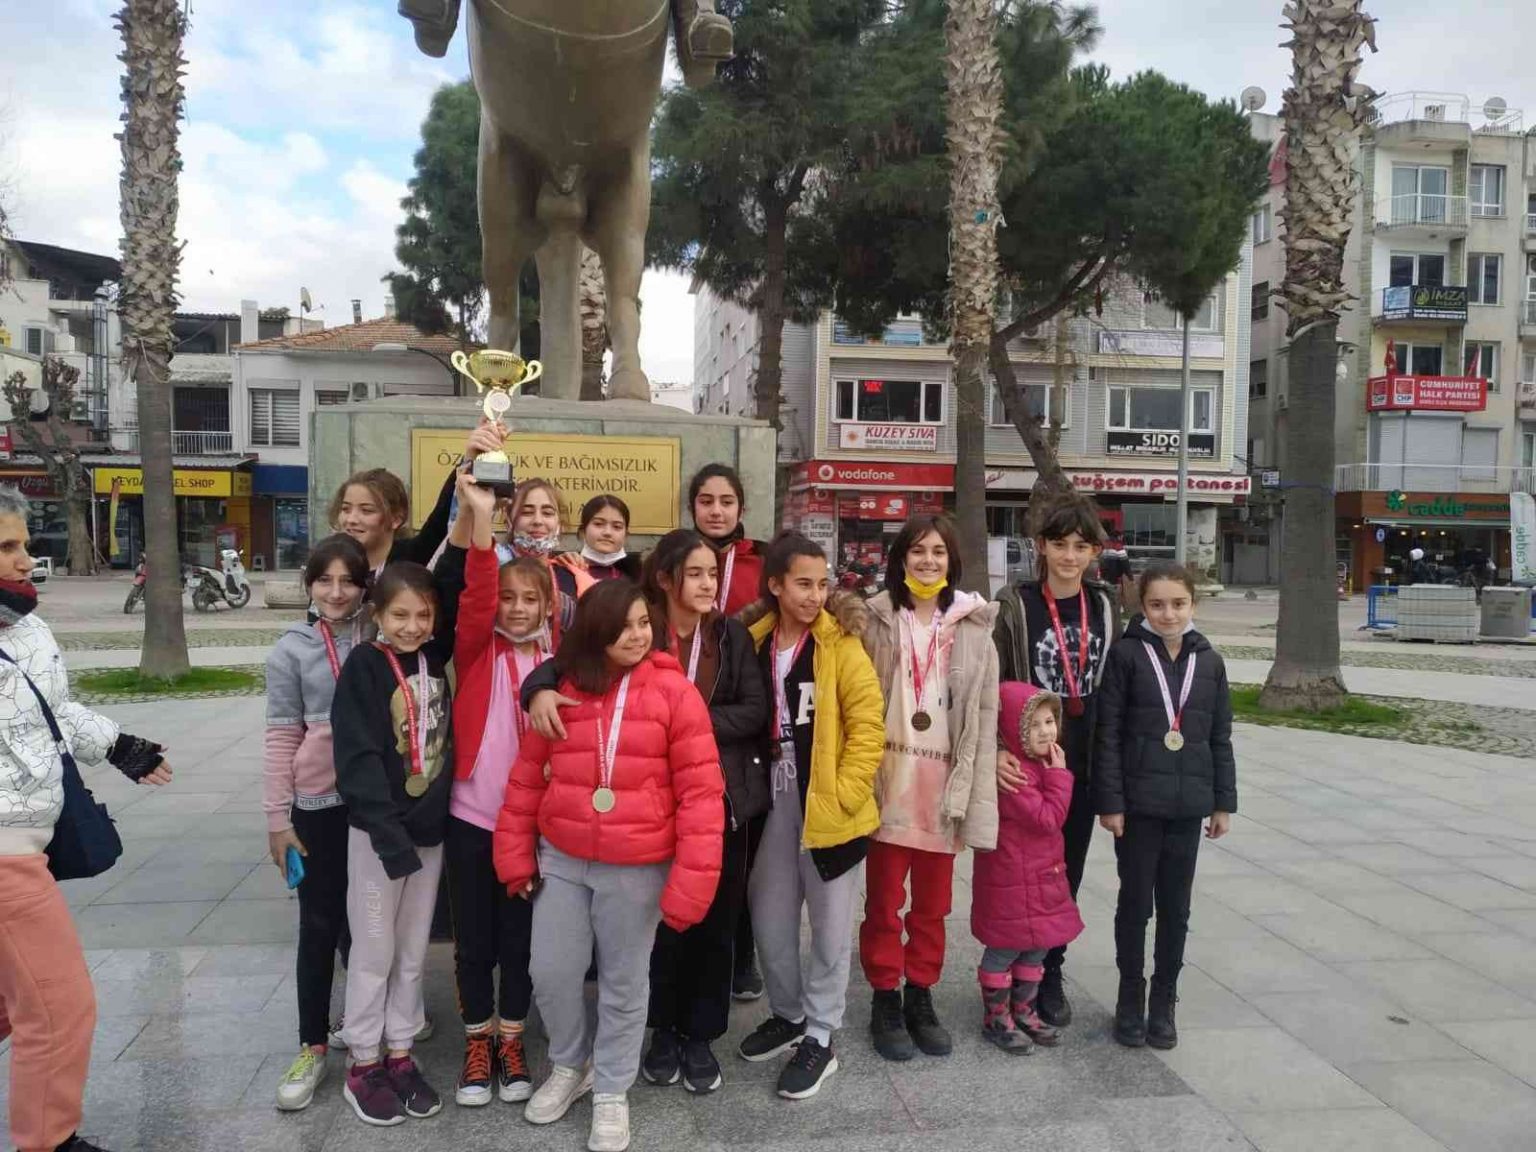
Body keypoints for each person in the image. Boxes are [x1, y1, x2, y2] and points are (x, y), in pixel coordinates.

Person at [493, 580, 724, 1152]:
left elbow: (701, 794)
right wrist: (515, 854)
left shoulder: (675, 693)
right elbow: (526, 778)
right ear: (595, 632)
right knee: (551, 970)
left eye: (644, 623)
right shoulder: (561, 690)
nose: (637, 635)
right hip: (564, 857)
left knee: (624, 980)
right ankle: (570, 1064)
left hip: (637, 864)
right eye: (623, 627)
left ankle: (612, 1086)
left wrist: (691, 883)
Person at [0, 485, 173, 1152]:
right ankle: (48, 1141)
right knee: (58, 1006)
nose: (24, 561)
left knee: (15, 1004)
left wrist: (120, 746)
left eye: (23, 545)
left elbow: (55, 709)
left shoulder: (26, 626)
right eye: (6, 548)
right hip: (7, 855)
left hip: (32, 835)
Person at [739, 533, 883, 1100]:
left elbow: (868, 725)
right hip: (770, 798)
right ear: (775, 585)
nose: (815, 595)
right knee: (770, 916)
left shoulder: (840, 642)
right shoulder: (752, 641)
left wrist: (845, 793)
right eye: (803, 583)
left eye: (822, 584)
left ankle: (821, 1034)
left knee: (829, 925)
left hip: (828, 801)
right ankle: (789, 1014)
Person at [858, 516, 999, 1062]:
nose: (928, 561)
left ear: (951, 561)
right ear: (899, 559)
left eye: (938, 552)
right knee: (884, 905)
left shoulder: (973, 626)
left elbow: (984, 716)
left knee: (933, 907)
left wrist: (978, 796)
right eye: (917, 551)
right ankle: (884, 996)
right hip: (888, 784)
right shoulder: (874, 619)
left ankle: (920, 993)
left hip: (942, 791)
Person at [637, 530, 770, 1094]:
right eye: (694, 574)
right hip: (651, 800)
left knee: (716, 923)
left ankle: (701, 1035)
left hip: (720, 799)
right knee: (660, 925)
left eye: (712, 574)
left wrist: (686, 727)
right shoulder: (641, 629)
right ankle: (662, 1030)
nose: (707, 584)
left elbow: (755, 710)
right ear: (665, 579)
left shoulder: (730, 635)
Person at [331, 563, 455, 1127]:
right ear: (377, 614)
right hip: (378, 838)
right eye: (399, 614)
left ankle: (401, 1052)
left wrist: (430, 817)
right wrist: (387, 832)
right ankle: (363, 1062)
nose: (411, 625)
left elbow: (439, 747)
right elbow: (356, 758)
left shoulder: (433, 662)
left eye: (422, 615)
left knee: (412, 951)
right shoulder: (364, 666)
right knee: (374, 950)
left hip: (425, 832)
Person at [1094, 562, 1236, 1051]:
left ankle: (1164, 1000)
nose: (1168, 614)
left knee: (1176, 908)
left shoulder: (1210, 662)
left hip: (1188, 808)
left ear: (1193, 604)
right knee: (1135, 905)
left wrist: (1223, 803)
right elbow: (1108, 735)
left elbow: (1220, 737)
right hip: (1137, 808)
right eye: (1157, 604)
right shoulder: (1126, 656)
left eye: (1178, 604)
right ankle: (1130, 996)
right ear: (1142, 606)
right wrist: (1110, 802)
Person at [443, 476, 552, 1109]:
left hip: (529, 826)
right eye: (508, 598)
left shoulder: (557, 664)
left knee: (519, 941)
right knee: (474, 942)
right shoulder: (476, 648)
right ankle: (477, 1042)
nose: (515, 608)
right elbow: (477, 591)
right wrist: (481, 520)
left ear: (547, 607)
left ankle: (512, 1041)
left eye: (529, 599)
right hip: (470, 817)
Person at [992, 493, 1118, 1030]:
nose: (1070, 556)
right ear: (1040, 546)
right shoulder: (1015, 605)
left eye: (1080, 546)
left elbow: (1112, 684)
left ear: (1094, 552)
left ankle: (1050, 970)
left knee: (1068, 870)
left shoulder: (1105, 605)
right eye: (1060, 544)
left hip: (1080, 760)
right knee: (1027, 871)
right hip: (1030, 764)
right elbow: (991, 684)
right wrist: (997, 747)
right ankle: (1011, 974)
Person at [264, 534, 371, 1111]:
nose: (336, 592)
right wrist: (277, 820)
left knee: (368, 923)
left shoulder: (380, 635)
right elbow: (282, 737)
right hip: (318, 807)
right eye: (324, 580)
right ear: (309, 584)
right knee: (319, 924)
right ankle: (311, 1045)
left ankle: (367, 1025)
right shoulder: (291, 650)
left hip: (374, 802)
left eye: (348, 580)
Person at [685, 463, 770, 998]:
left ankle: (743, 952)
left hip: (748, 715)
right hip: (684, 720)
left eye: (726, 501)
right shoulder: (673, 559)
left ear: (741, 507)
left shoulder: (762, 562)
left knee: (745, 846)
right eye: (706, 500)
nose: (716, 511)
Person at [971, 683, 1082, 1054]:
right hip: (1011, 880)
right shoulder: (1014, 774)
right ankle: (996, 1017)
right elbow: (1049, 819)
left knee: (1037, 947)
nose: (1046, 731)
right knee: (1004, 948)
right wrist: (1060, 776)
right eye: (1034, 725)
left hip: (1041, 878)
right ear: (1012, 731)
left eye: (1050, 721)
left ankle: (1024, 1010)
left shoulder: (1038, 765)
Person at [329, 424, 504, 577]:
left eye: (366, 510)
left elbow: (441, 517)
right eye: (345, 509)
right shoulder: (328, 560)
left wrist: (471, 458)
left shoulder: (412, 558)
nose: (351, 519)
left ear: (396, 519)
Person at [504, 476, 596, 606]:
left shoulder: (576, 579)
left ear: (559, 524)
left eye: (547, 513)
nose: (538, 521)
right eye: (527, 512)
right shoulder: (491, 572)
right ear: (508, 522)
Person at [574, 495, 643, 583]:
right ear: (583, 531)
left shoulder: (640, 579)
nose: (607, 532)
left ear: (626, 535)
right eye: (598, 524)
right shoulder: (563, 573)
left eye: (617, 526)